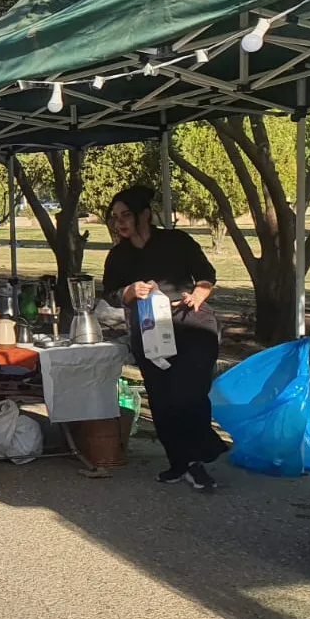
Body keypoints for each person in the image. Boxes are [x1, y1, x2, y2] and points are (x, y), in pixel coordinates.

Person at [102, 184, 227, 491]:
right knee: (162, 398)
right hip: (149, 332)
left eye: (126, 215)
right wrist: (128, 292)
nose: (120, 222)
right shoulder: (118, 256)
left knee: (188, 393)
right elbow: (111, 293)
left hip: (192, 325)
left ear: (145, 214)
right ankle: (180, 463)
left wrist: (199, 293)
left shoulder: (176, 241)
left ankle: (197, 458)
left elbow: (206, 273)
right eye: (116, 217)